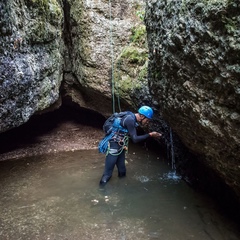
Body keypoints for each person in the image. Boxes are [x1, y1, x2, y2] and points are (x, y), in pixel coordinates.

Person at [99, 106, 162, 186]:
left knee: (122, 171)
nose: (147, 122)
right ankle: (102, 193)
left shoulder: (130, 115)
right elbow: (135, 139)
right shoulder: (130, 120)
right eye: (147, 120)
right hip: (113, 146)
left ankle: (122, 189)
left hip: (120, 146)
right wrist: (150, 135)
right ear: (142, 116)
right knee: (107, 174)